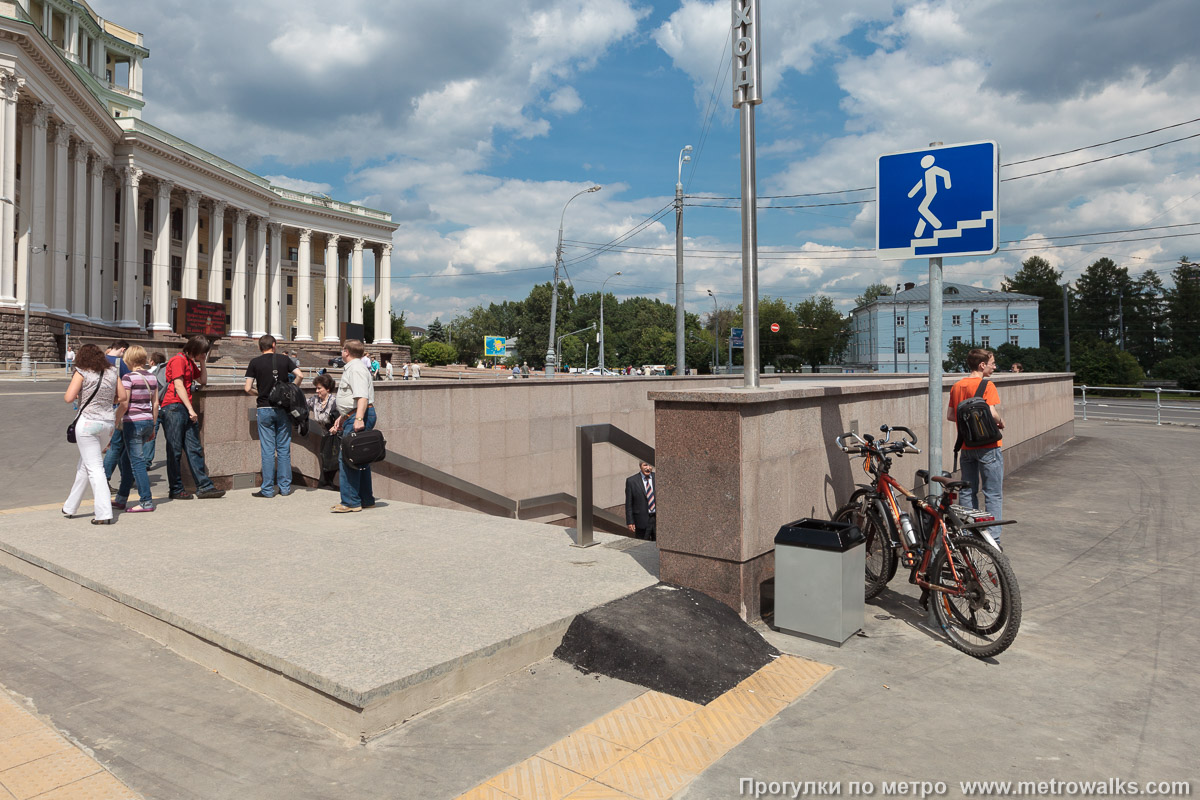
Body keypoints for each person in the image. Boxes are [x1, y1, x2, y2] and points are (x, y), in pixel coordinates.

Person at [63, 344, 127, 525]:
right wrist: (107, 401)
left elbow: (68, 397)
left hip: (87, 423)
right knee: (86, 465)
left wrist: (81, 395)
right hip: (107, 424)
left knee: (94, 468)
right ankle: (70, 506)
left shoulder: (82, 371)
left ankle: (104, 512)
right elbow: (122, 398)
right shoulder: (112, 372)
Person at [947, 348, 1006, 542]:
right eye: (992, 363)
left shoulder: (957, 386)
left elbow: (950, 415)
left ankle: (967, 534)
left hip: (966, 446)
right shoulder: (987, 385)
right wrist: (1000, 420)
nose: (994, 367)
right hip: (989, 446)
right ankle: (993, 539)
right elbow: (990, 411)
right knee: (992, 493)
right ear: (982, 365)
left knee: (967, 491)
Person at [161, 336, 225, 500]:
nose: (203, 354)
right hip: (174, 407)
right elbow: (178, 384)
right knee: (174, 450)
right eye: (202, 352)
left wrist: (203, 362)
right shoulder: (178, 360)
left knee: (194, 448)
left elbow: (202, 380)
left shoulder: (190, 362)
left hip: (183, 408)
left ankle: (204, 486)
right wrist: (191, 409)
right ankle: (176, 488)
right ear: (195, 349)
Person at [244, 334, 303, 498]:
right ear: (274, 345)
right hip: (282, 409)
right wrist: (291, 390)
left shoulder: (254, 362)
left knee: (268, 450)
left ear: (260, 347)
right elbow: (301, 375)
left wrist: (262, 393)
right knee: (284, 449)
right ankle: (285, 488)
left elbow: (247, 388)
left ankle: (268, 490)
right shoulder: (284, 360)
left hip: (264, 408)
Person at [330, 339, 375, 513]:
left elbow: (362, 397)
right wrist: (343, 417)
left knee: (348, 458)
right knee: (360, 459)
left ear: (346, 352)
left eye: (342, 350)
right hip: (353, 415)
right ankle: (365, 499)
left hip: (358, 415)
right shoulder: (355, 367)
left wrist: (358, 418)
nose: (341, 353)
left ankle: (350, 502)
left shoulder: (355, 368)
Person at [113, 346, 158, 513]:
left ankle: (146, 501)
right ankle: (121, 498)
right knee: (126, 459)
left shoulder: (128, 378)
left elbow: (124, 403)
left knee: (137, 463)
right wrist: (153, 425)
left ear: (129, 359)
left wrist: (115, 421)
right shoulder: (152, 378)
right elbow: (155, 403)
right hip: (147, 421)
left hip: (133, 422)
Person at [102, 340, 132, 484]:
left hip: (100, 407)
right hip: (117, 407)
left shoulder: (99, 360)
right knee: (117, 445)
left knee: (118, 445)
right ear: (123, 349)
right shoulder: (122, 364)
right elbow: (127, 389)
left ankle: (127, 477)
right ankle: (105, 478)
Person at [307, 373, 340, 488]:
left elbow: (345, 416)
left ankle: (327, 484)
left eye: (319, 388)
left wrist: (337, 427)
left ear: (328, 389)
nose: (317, 391)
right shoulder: (315, 400)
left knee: (334, 461)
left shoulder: (335, 401)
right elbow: (301, 404)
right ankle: (327, 484)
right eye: (316, 388)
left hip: (337, 437)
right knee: (326, 460)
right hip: (325, 436)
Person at [625, 461, 657, 541]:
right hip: (641, 520)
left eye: (650, 465)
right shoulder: (632, 481)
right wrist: (630, 521)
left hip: (657, 519)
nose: (648, 468)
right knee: (642, 545)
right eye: (645, 465)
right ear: (640, 466)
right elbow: (629, 503)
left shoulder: (658, 477)